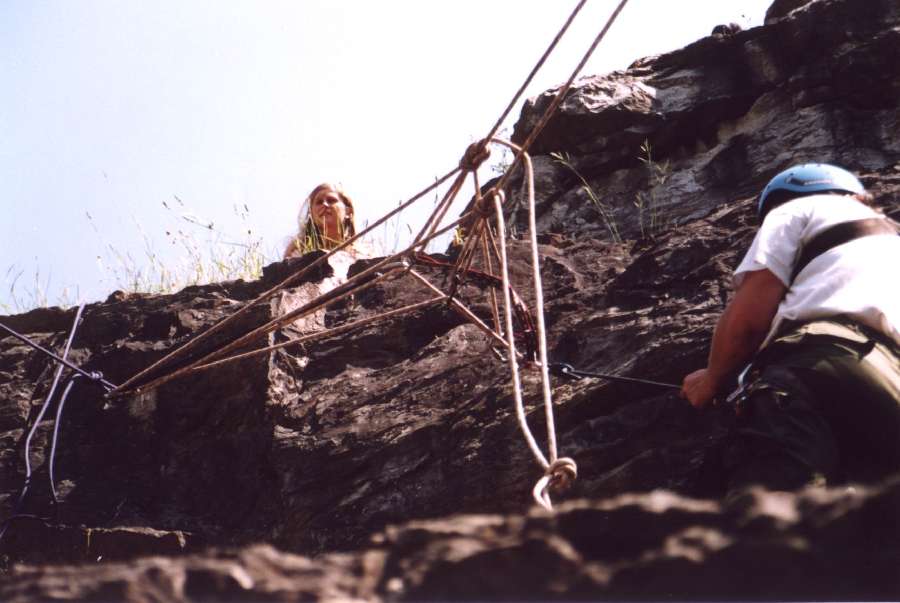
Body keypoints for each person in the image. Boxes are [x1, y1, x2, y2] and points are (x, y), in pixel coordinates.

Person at [681, 163, 900, 492]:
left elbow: (749, 319)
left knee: (774, 512)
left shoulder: (797, 209)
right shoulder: (893, 241)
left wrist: (711, 379)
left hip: (822, 362)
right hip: (890, 384)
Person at [284, 183, 357, 259]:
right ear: (311, 214)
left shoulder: (360, 254)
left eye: (331, 200)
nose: (324, 204)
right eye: (319, 202)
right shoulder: (297, 252)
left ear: (348, 211)